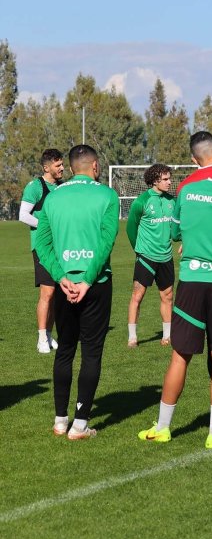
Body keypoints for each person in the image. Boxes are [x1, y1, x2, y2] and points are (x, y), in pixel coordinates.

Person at [139, 142, 212, 448]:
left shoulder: (188, 192)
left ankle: (163, 428)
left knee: (180, 355)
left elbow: (176, 234)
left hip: (192, 280)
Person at [34, 145, 118, 440]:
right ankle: (80, 425)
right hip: (95, 284)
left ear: (71, 168)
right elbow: (107, 242)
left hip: (64, 286)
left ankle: (60, 421)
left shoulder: (53, 197)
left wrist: (60, 277)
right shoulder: (107, 195)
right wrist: (87, 280)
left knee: (65, 350)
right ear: (95, 166)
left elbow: (41, 244)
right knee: (92, 352)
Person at [20, 148, 65, 353]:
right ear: (46, 167)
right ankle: (41, 338)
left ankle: (49, 334)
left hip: (61, 248)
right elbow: (23, 215)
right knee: (47, 293)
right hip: (42, 247)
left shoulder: (64, 187)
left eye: (62, 164)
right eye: (58, 165)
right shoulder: (35, 187)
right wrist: (47, 226)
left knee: (56, 294)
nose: (62, 168)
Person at [125, 163, 175, 347]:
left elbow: (178, 226)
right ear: (155, 180)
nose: (170, 182)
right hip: (146, 257)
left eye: (170, 178)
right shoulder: (141, 201)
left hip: (166, 256)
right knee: (137, 296)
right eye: (166, 179)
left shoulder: (172, 201)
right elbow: (131, 228)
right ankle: (132, 337)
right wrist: (138, 250)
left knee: (168, 296)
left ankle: (167, 336)